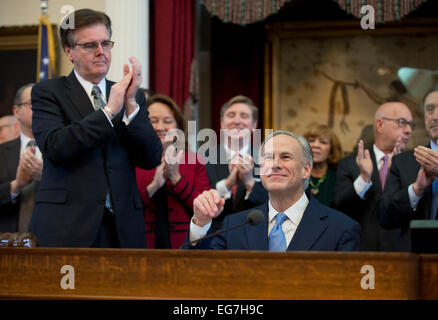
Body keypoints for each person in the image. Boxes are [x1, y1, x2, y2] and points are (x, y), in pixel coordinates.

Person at [28, 9, 162, 248]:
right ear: (69, 52)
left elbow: (151, 158)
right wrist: (109, 111)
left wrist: (131, 106)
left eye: (106, 43)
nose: (101, 52)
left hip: (123, 229)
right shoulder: (48, 92)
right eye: (90, 45)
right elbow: (56, 147)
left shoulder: (129, 95)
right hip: (68, 226)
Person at [187, 131, 361, 251]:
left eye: (285, 157)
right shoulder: (233, 226)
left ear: (306, 169)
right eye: (268, 157)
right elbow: (200, 272)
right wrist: (200, 223)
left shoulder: (342, 229)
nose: (275, 164)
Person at [334, 102, 414, 251]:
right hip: (361, 252)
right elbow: (340, 207)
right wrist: (364, 179)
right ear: (380, 125)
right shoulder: (350, 164)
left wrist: (396, 172)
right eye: (402, 123)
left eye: (411, 125)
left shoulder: (415, 165)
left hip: (403, 254)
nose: (408, 130)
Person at [136, 94, 210, 249]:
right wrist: (154, 186)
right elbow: (125, 208)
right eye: (153, 121)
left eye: (167, 121)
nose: (160, 127)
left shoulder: (194, 162)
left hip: (183, 247)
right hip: (141, 247)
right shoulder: (132, 161)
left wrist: (176, 178)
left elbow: (205, 208)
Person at [378, 89, 438, 251]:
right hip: (414, 264)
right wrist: (416, 189)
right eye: (430, 109)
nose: (435, 116)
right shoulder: (404, 161)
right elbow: (385, 217)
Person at [205, 95, 268, 232]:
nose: (237, 121)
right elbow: (198, 201)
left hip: (254, 237)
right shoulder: (203, 157)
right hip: (213, 238)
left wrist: (250, 183)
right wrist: (227, 184)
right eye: (231, 115)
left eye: (244, 116)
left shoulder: (266, 159)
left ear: (254, 125)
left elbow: (275, 204)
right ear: (222, 123)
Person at [0, 83, 42, 233]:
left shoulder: (62, 149)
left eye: (45, 103)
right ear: (16, 111)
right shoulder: (2, 152)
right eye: (33, 103)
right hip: (7, 242)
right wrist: (17, 185)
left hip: (51, 243)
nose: (41, 109)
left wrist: (46, 176)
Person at [303, 124, 343, 207]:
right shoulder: (295, 175)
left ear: (331, 149)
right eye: (311, 140)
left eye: (323, 142)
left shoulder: (340, 177)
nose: (316, 145)